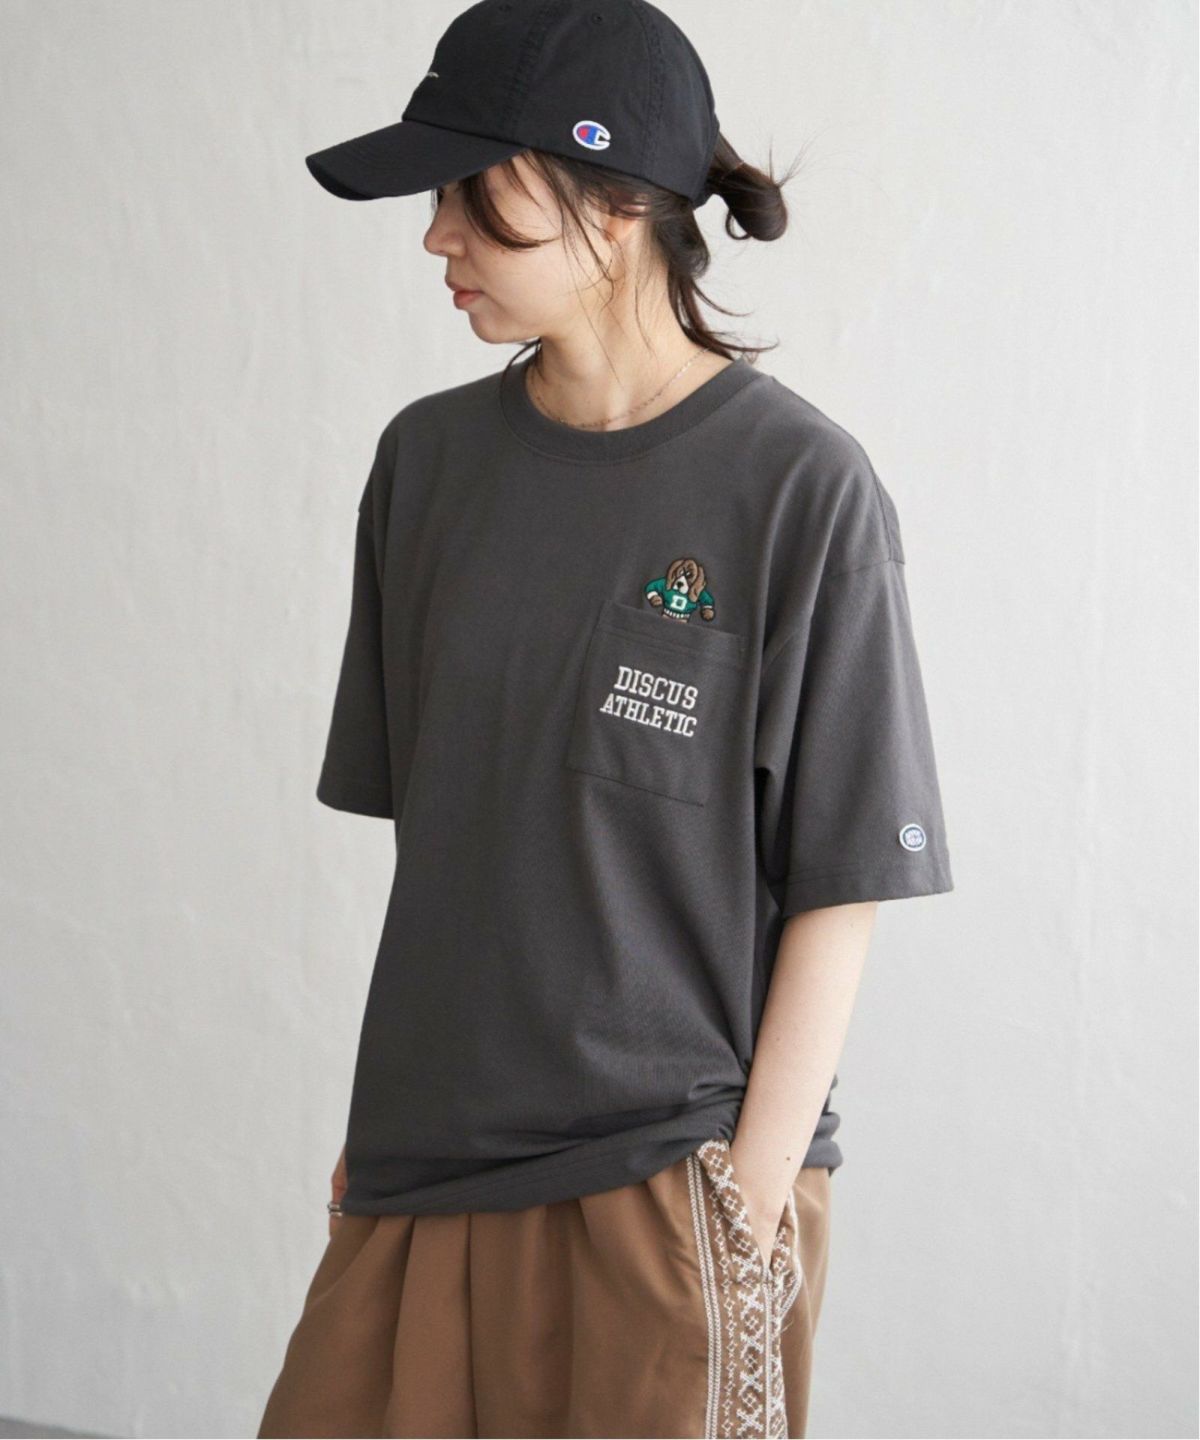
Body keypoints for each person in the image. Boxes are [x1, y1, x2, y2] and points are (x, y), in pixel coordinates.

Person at [257, 1, 954, 1436]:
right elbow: (455, 845)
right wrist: (381, 1132)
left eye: (473, 197)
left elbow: (844, 884)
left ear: (619, 202)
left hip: (668, 1182)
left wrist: (747, 1201)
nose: (436, 237)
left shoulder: (800, 491)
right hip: (421, 1167)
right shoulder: (424, 467)